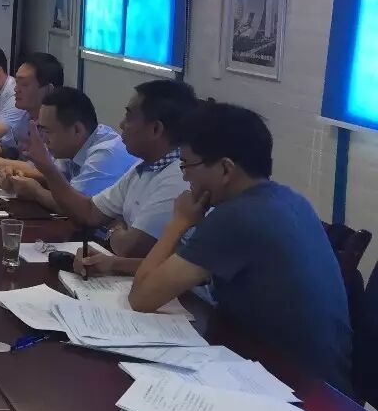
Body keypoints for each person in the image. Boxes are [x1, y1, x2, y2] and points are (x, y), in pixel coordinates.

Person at [130, 104, 352, 392]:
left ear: (225, 169)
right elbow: (187, 269)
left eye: (186, 165)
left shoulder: (237, 217)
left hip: (294, 387)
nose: (184, 177)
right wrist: (118, 264)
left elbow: (142, 297)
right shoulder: (288, 199)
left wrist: (179, 222)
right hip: (319, 378)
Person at [17, 79, 197, 276]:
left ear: (156, 129)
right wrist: (47, 168)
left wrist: (111, 228)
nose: (121, 124)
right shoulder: (143, 167)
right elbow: (89, 213)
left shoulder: (179, 177)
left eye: (129, 117)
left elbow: (130, 249)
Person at [0, 87, 137, 210]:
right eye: (41, 131)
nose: (44, 139)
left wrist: (35, 192)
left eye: (48, 131)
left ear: (77, 130)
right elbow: (58, 182)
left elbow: (77, 208)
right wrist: (17, 178)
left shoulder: (106, 154)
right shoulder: (72, 146)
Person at [0, 52, 64, 173]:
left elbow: (42, 169)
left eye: (24, 84)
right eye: (17, 83)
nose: (16, 89)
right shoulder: (25, 115)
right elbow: (11, 148)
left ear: (48, 90)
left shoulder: (58, 126)